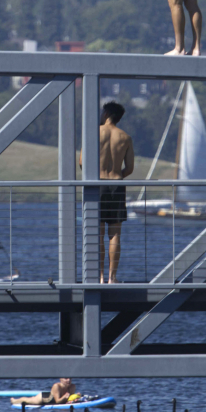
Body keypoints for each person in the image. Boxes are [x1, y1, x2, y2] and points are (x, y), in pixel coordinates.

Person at [81, 101, 134, 282]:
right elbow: (130, 169)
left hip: (98, 185)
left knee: (97, 234)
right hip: (116, 185)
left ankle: (100, 277)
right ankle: (112, 277)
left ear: (105, 114)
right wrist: (116, 175)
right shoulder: (125, 137)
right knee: (114, 234)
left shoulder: (93, 133)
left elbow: (82, 162)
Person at [12, 377, 78, 407]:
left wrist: (76, 397)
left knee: (31, 399)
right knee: (28, 400)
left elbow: (69, 400)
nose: (69, 380)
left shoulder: (72, 386)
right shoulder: (56, 386)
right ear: (60, 379)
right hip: (43, 399)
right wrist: (64, 397)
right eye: (66, 378)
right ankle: (14, 401)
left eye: (70, 378)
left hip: (52, 398)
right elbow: (57, 401)